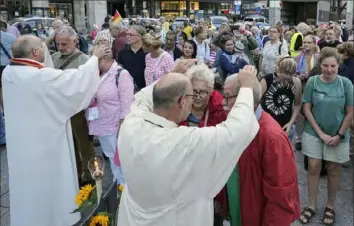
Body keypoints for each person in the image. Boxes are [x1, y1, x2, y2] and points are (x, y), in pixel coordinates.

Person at [117, 62, 260, 226]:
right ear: (182, 102)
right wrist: (247, 87)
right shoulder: (183, 143)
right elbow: (237, 130)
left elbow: (143, 97)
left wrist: (171, 75)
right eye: (192, 95)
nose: (196, 99)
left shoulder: (131, 122)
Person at [2, 35, 109, 226]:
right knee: (49, 188)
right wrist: (95, 58)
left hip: (21, 145)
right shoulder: (38, 77)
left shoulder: (9, 72)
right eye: (42, 47)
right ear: (35, 52)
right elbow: (76, 82)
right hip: (45, 144)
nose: (47, 50)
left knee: (27, 190)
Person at [223, 73, 300, 226]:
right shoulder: (236, 125)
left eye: (227, 97)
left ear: (245, 99)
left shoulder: (271, 138)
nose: (222, 103)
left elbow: (281, 198)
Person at [299, 47, 353, 225]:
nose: (329, 70)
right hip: (314, 131)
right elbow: (306, 108)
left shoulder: (345, 84)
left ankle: (330, 205)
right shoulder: (313, 82)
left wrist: (339, 134)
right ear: (320, 64)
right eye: (325, 65)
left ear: (338, 65)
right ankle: (312, 205)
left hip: (338, 134)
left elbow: (350, 112)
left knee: (333, 169)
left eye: (333, 66)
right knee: (313, 167)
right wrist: (320, 133)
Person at [52, 26, 97, 186]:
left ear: (75, 41)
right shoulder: (54, 58)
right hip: (59, 110)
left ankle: (90, 175)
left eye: (65, 44)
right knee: (66, 144)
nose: (61, 47)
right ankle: (74, 173)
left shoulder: (85, 60)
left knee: (84, 144)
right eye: (58, 44)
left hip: (79, 111)